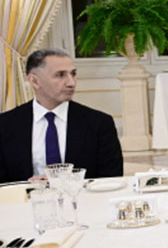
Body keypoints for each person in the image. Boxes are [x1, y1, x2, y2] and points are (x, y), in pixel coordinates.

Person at [0, 49, 123, 181]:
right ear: (35, 81)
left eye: (73, 74)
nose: (71, 83)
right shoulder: (5, 124)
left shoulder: (99, 123)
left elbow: (112, 179)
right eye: (60, 75)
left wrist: (68, 184)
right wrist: (27, 187)